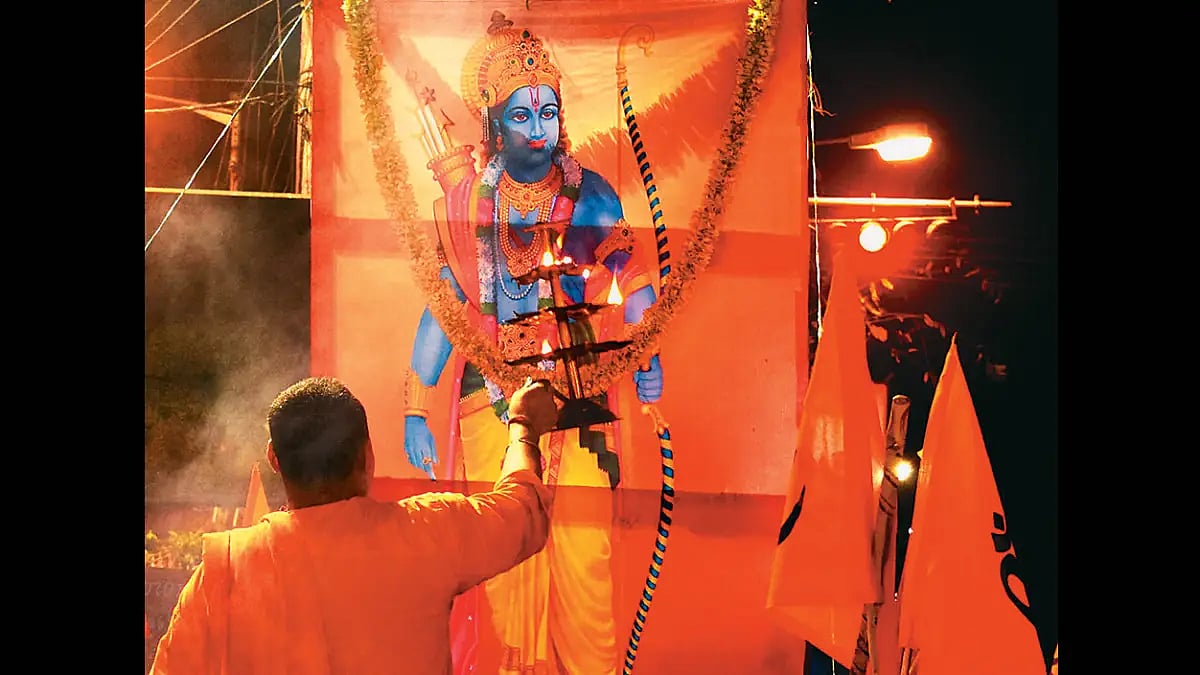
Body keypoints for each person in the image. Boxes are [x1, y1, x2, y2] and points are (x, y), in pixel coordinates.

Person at [405, 12, 665, 675]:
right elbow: (444, 305)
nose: (539, 126)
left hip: (577, 399)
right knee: (497, 561)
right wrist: (415, 403)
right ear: (494, 124)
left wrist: (649, 349)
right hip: (490, 397)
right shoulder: (471, 206)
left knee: (585, 557)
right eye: (521, 115)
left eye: (548, 110)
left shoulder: (587, 193)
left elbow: (631, 277)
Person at [149, 376, 559, 675]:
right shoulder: (426, 533)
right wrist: (522, 427)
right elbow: (521, 511)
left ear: (275, 461)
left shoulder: (225, 573)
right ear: (367, 456)